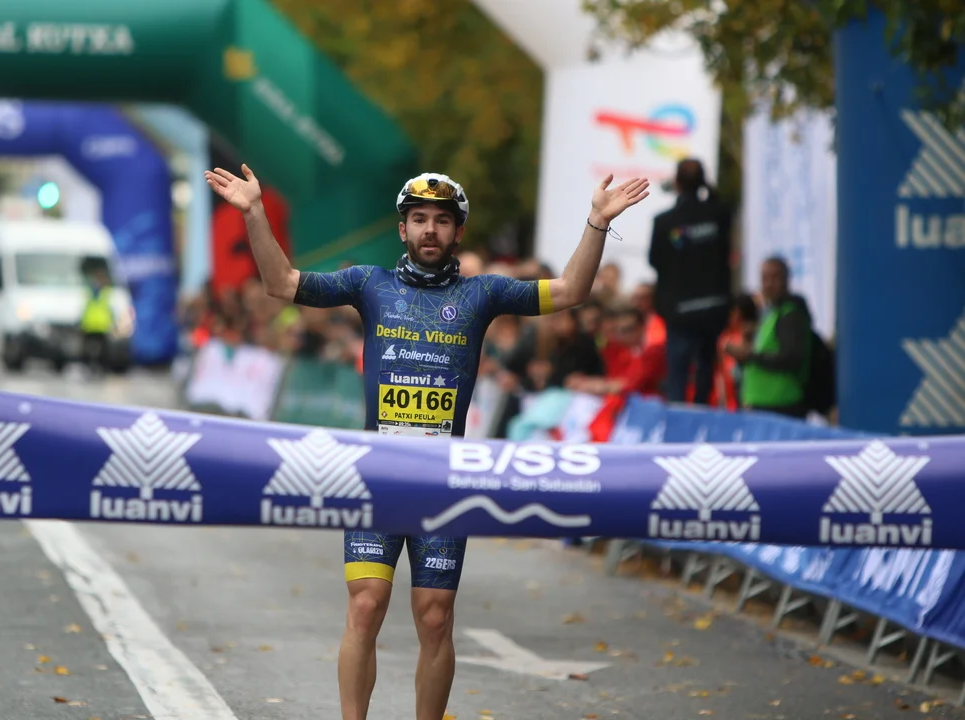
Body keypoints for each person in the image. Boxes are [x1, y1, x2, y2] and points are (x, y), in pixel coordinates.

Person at [205, 163, 649, 720]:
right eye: (419, 219)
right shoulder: (369, 284)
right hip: (377, 474)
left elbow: (570, 291)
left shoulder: (482, 293)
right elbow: (282, 283)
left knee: (435, 617)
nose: (430, 229)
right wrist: (254, 212)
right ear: (403, 229)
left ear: (458, 231)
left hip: (444, 479)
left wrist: (597, 222)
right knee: (365, 606)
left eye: (441, 220)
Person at [649, 158, 732, 406]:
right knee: (705, 373)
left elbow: (655, 260)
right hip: (713, 309)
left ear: (676, 183)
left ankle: (679, 424)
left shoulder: (665, 222)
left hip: (680, 312)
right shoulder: (718, 214)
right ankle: (701, 415)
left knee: (678, 378)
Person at [723, 256, 813, 418]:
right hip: (764, 404)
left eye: (775, 278)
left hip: (780, 405)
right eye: (764, 279)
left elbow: (790, 358)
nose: (769, 284)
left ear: (787, 280)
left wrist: (750, 356)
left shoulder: (789, 315)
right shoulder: (771, 313)